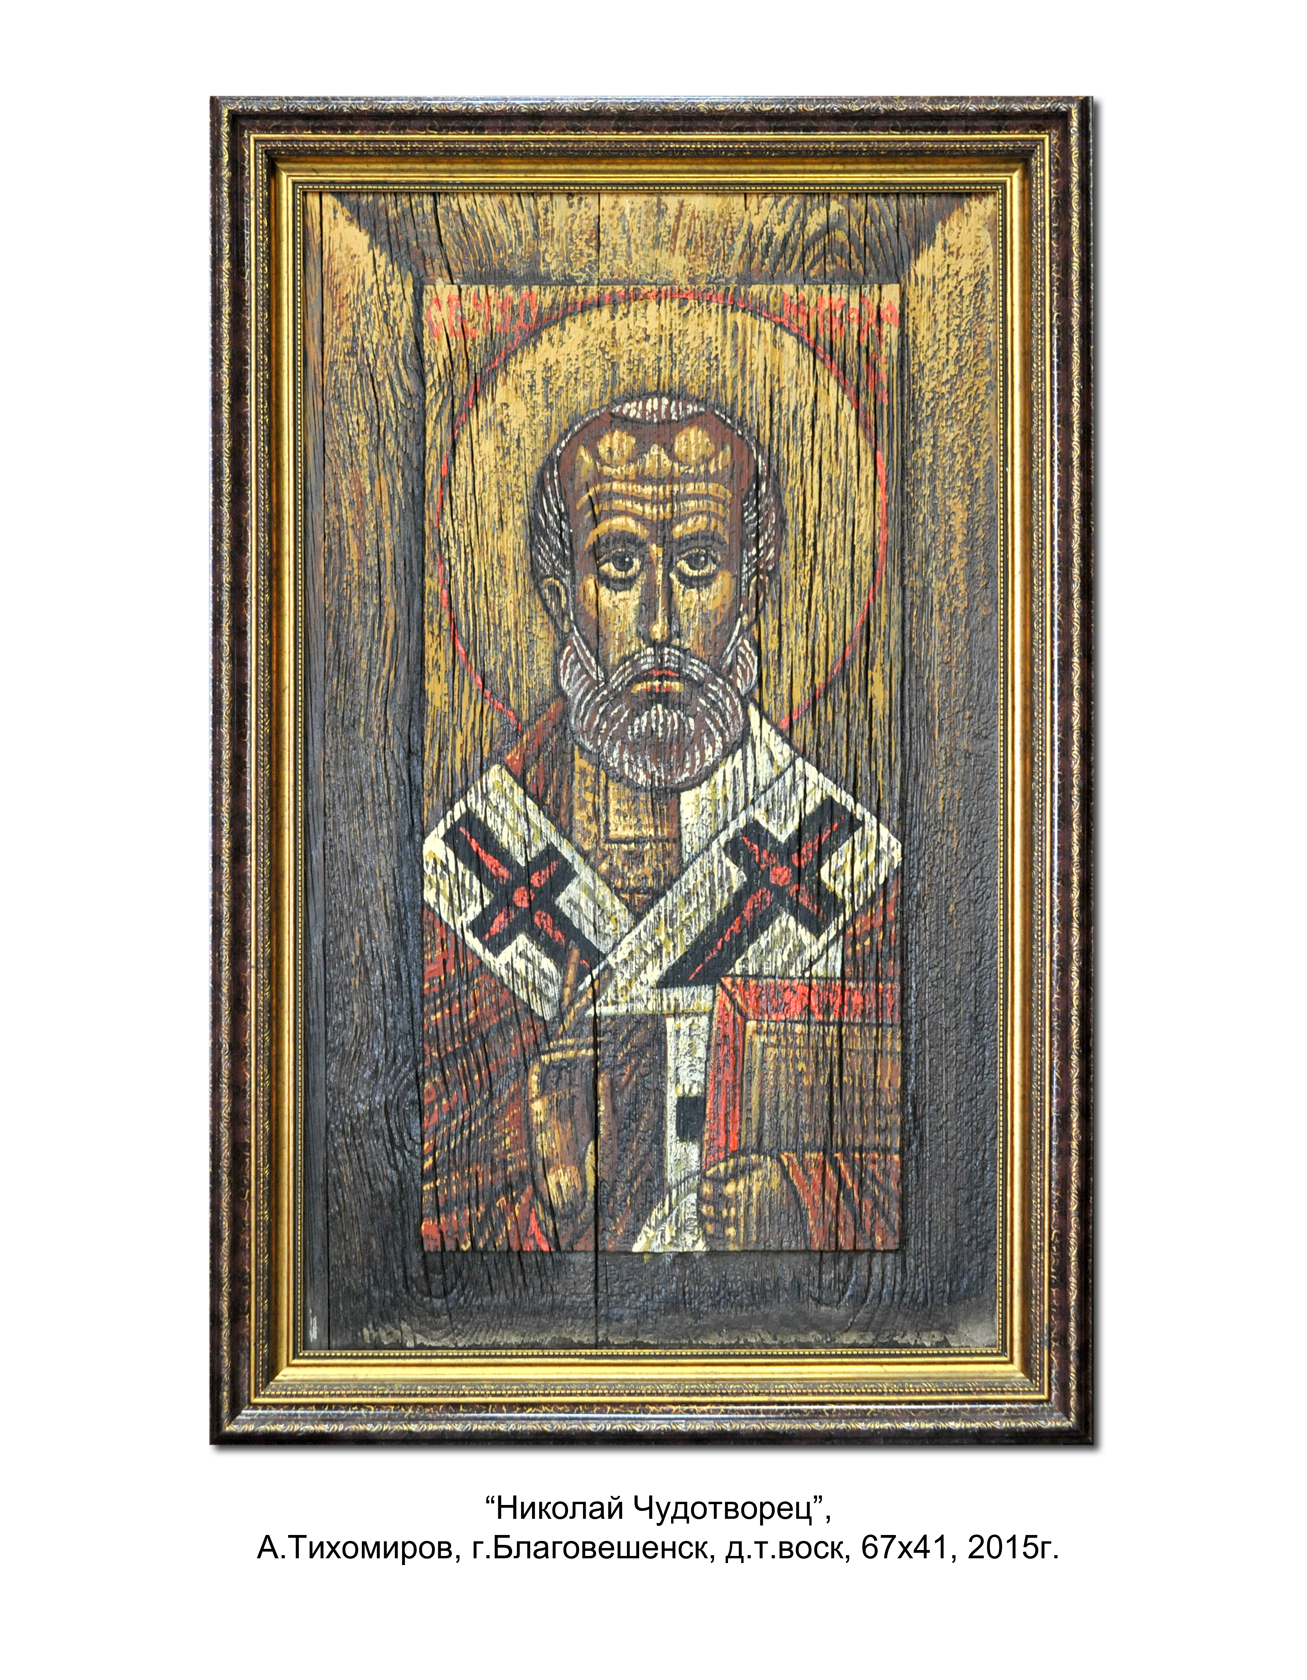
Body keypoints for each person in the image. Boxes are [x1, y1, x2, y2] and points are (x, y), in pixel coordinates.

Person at [421, 394, 901, 1253]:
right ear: (559, 595)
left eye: (697, 563)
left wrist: (797, 1208)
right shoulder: (474, 871)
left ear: (752, 590)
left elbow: (909, 1173)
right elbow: (430, 1222)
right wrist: (562, 1196)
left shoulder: (841, 864)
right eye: (616, 565)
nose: (659, 625)